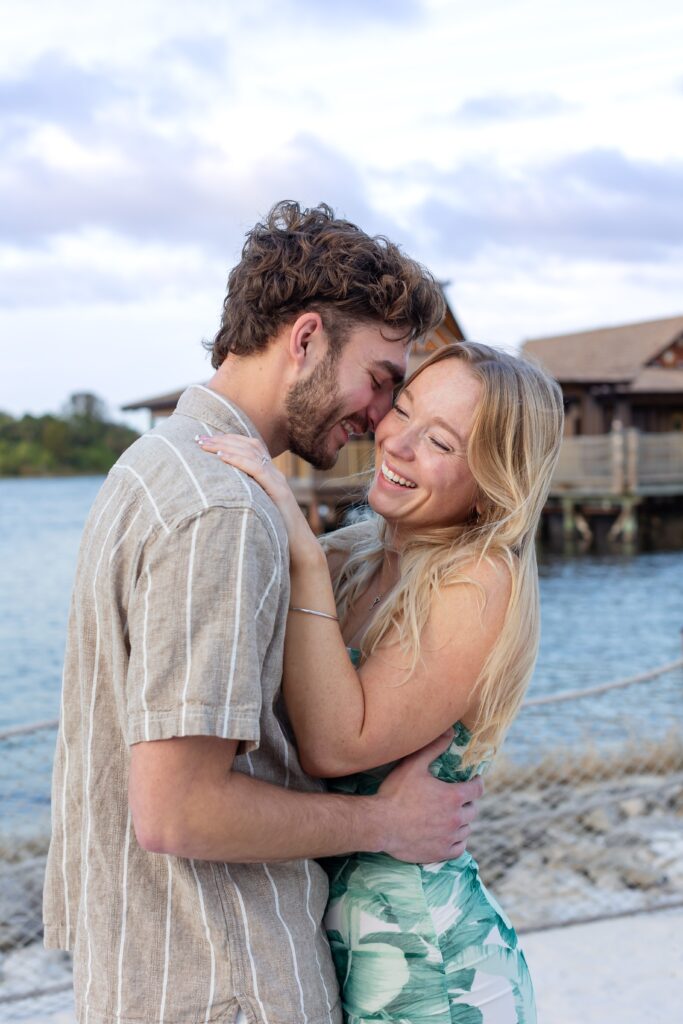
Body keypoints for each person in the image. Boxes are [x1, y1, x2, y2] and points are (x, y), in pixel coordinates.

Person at [43, 201, 484, 1024]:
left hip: (154, 971)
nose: (382, 417)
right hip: (230, 978)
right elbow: (178, 809)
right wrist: (384, 821)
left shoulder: (151, 465)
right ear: (307, 338)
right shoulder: (225, 510)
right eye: (383, 379)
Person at [197, 339, 564, 1023]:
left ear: (492, 481)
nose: (397, 443)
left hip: (429, 967)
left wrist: (302, 550)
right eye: (402, 409)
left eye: (442, 443)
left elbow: (337, 746)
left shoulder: (480, 578)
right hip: (344, 949)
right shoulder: (354, 560)